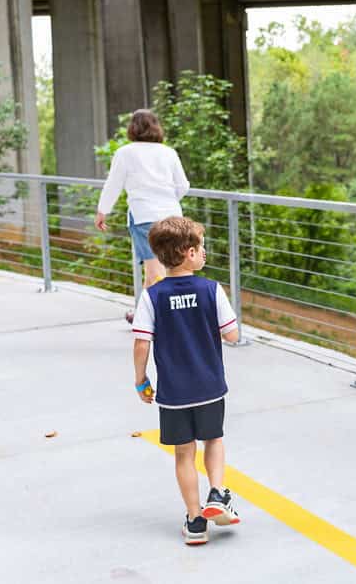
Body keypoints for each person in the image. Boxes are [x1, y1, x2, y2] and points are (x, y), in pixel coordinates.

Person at [131, 216, 241, 545]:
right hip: (209, 386)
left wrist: (141, 380)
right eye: (201, 247)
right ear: (189, 253)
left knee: (183, 453)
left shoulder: (152, 296)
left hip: (173, 392)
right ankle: (217, 493)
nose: (204, 252)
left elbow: (141, 344)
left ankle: (195, 522)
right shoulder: (211, 290)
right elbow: (232, 335)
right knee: (214, 440)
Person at [96, 109, 190, 323]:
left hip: (144, 216)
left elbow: (113, 185)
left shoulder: (126, 153)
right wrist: (167, 199)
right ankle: (142, 315)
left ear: (132, 128)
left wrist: (102, 211)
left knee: (156, 271)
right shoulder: (168, 152)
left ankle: (170, 321)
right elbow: (183, 185)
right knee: (158, 271)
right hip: (173, 216)